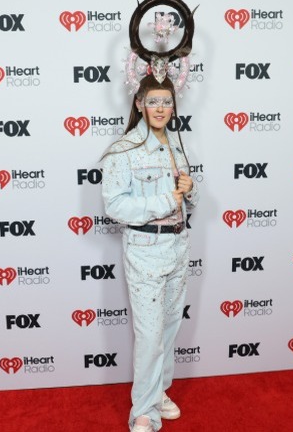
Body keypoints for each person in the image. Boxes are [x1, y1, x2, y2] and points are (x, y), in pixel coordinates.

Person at [101, 73, 198, 432]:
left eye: (167, 102)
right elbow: (114, 206)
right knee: (150, 334)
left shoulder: (177, 145)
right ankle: (142, 411)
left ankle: (158, 392)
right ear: (139, 103)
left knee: (170, 328)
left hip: (177, 246)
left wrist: (190, 190)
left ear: (174, 106)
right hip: (144, 249)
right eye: (153, 101)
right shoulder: (122, 151)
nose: (161, 108)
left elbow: (188, 201)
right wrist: (163, 200)